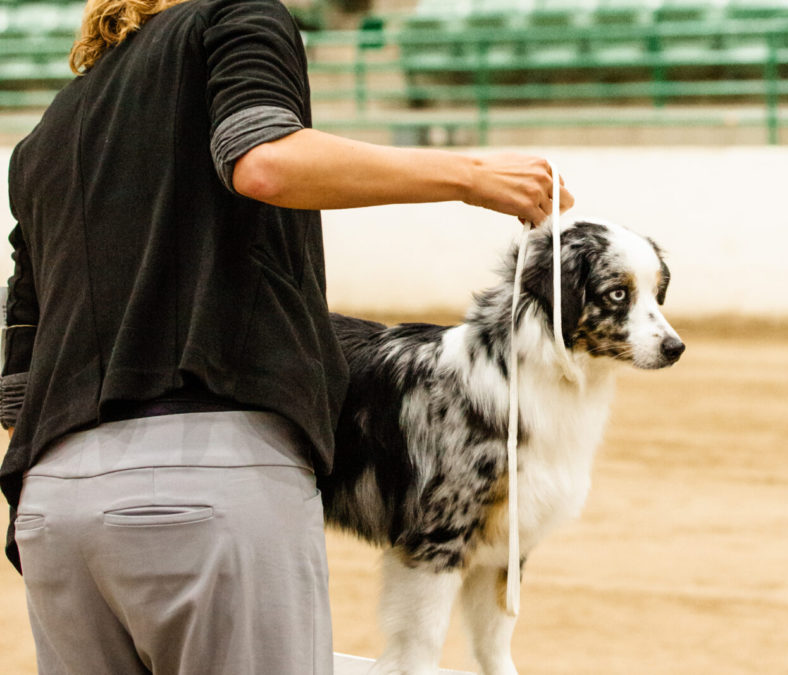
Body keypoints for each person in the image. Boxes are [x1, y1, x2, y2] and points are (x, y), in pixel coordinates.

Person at [0, 0, 573, 672]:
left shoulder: (47, 133)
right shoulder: (236, 17)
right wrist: (471, 176)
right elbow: (262, 160)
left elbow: (18, 379)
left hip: (54, 509)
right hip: (207, 481)